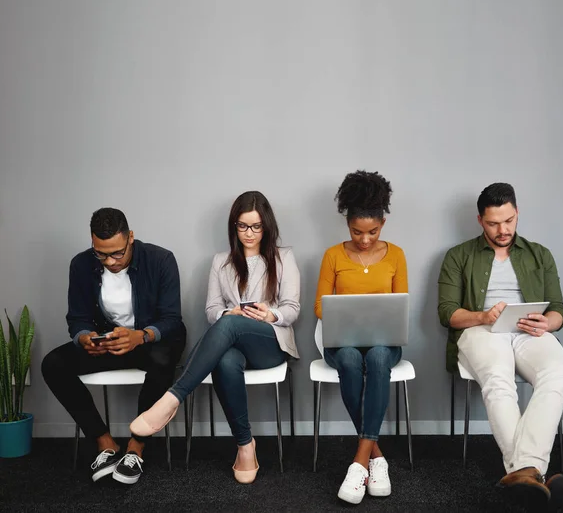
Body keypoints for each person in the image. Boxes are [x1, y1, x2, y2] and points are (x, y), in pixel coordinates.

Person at [130, 191, 300, 484]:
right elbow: (211, 310)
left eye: (256, 226)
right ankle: (245, 445)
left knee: (230, 326)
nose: (249, 233)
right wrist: (228, 314)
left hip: (270, 342)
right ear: (234, 226)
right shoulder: (221, 262)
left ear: (267, 226)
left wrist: (269, 315)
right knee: (225, 355)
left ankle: (171, 398)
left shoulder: (283, 257)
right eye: (243, 226)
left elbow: (292, 308)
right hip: (232, 343)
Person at [438, 183, 563, 511]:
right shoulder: (458, 255)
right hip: (481, 330)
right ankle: (533, 471)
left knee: (557, 371)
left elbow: (558, 309)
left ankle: (522, 474)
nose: (503, 230)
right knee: (499, 378)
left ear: (516, 213)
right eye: (494, 223)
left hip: (528, 330)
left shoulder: (540, 254)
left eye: (509, 221)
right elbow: (447, 313)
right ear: (480, 220)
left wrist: (548, 322)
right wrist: (483, 314)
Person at [41, 208, 186, 484]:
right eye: (101, 253)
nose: (110, 261)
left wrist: (140, 336)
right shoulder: (81, 264)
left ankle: (136, 447)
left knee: (163, 359)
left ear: (130, 237)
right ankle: (105, 443)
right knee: (53, 364)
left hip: (149, 343)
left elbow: (172, 320)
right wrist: (84, 337)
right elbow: (77, 318)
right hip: (109, 343)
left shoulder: (161, 259)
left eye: (117, 253)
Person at [314, 170, 408, 505]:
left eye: (372, 231)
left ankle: (359, 462)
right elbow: (320, 306)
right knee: (352, 358)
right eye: (357, 231)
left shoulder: (396, 255)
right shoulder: (333, 256)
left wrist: (375, 317)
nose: (365, 239)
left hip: (384, 342)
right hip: (342, 342)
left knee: (379, 356)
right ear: (347, 223)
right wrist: (350, 316)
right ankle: (375, 457)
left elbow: (401, 305)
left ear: (382, 223)